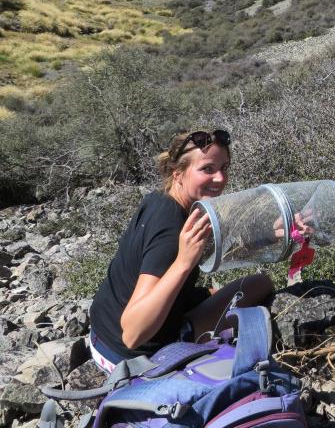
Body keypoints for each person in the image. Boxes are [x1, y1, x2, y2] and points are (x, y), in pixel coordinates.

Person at [89, 130, 274, 373]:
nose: (220, 178)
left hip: (100, 337)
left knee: (211, 292)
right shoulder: (171, 230)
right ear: (179, 174)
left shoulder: (161, 201)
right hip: (131, 358)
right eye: (207, 169)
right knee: (259, 284)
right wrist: (183, 262)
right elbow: (132, 334)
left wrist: (274, 236)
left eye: (224, 168)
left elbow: (218, 251)